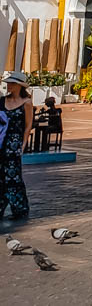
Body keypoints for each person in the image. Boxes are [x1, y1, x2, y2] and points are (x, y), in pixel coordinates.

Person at [0, 71, 35, 219]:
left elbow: (28, 126)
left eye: (12, 84)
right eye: (8, 83)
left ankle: (19, 208)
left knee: (13, 177)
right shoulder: (1, 101)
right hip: (1, 141)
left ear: (19, 86)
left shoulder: (26, 103)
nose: (8, 86)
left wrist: (23, 144)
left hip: (13, 144)